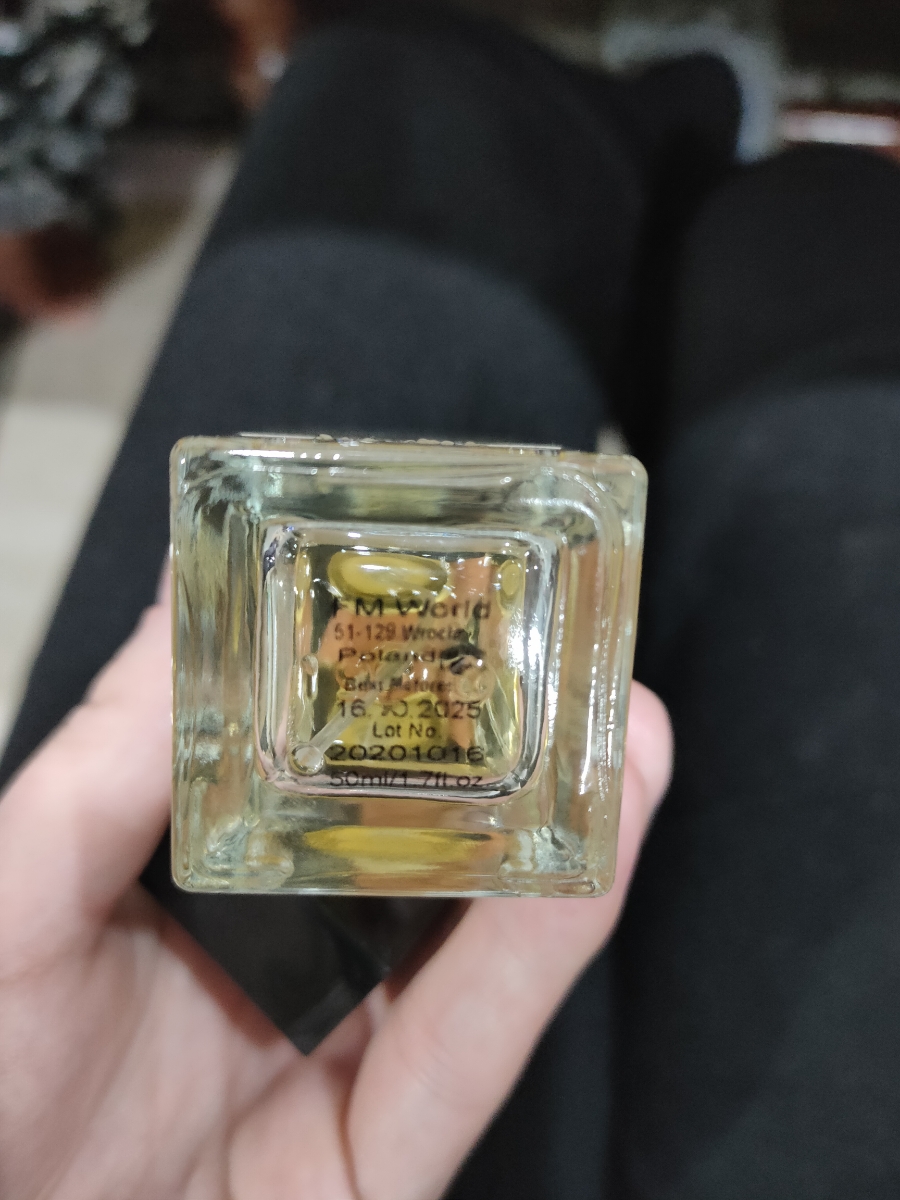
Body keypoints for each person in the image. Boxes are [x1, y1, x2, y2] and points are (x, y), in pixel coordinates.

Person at [3, 2, 900, 1195]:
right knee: (832, 299)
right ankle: (731, 156)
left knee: (403, 104)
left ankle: (695, 134)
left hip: (202, 1018)